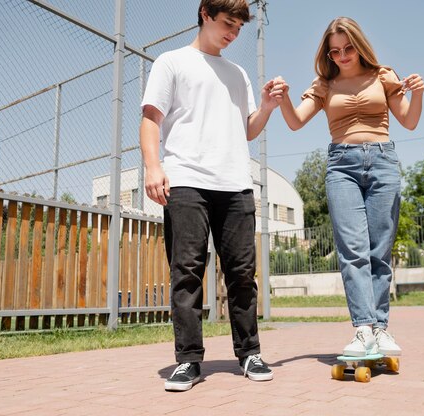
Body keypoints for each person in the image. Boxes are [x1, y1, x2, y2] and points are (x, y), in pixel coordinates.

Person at [139, 0, 282, 392]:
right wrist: (154, 168)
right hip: (186, 180)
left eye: (238, 28)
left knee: (241, 274)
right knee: (186, 272)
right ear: (204, 13)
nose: (232, 34)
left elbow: (248, 129)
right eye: (227, 24)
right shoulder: (171, 62)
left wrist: (267, 106)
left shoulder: (237, 74)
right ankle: (187, 360)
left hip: (235, 183)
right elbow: (151, 119)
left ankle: (249, 353)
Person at [272, 17, 424, 357]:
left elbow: (410, 121)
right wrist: (282, 98)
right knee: (353, 251)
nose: (342, 56)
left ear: (359, 44)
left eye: (348, 48)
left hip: (384, 162)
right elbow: (296, 122)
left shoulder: (384, 76)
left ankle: (382, 330)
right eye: (335, 51)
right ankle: (363, 330)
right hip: (342, 165)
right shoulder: (325, 84)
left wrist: (418, 94)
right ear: (328, 54)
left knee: (379, 251)